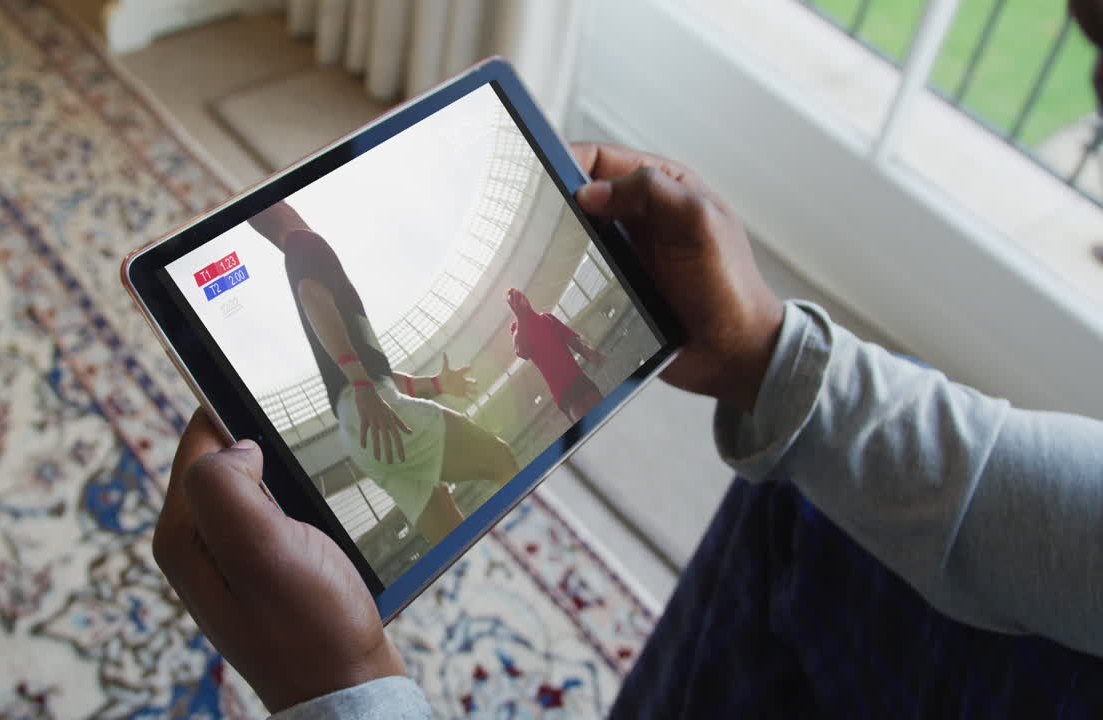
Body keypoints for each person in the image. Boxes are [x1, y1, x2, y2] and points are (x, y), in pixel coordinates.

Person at [154, 141, 1103, 718]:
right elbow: (328, 322)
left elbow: (353, 342)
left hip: (379, 408)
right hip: (373, 411)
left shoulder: (313, 250)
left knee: (477, 468)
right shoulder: (309, 250)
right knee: (792, 506)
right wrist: (766, 355)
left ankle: (410, 562)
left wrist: (346, 689)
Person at [245, 201, 518, 544]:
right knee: (500, 458)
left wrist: (435, 383)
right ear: (281, 206)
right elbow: (311, 295)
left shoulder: (297, 254)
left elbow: (381, 376)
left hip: (360, 434)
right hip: (374, 407)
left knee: (451, 534)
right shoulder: (304, 240)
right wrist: (362, 384)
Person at [507, 287, 607, 422]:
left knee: (606, 415)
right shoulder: (518, 331)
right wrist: (520, 316)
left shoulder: (547, 318)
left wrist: (589, 353)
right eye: (515, 301)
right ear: (513, 309)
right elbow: (522, 351)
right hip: (563, 392)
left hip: (578, 378)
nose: (521, 301)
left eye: (520, 296)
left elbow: (571, 340)